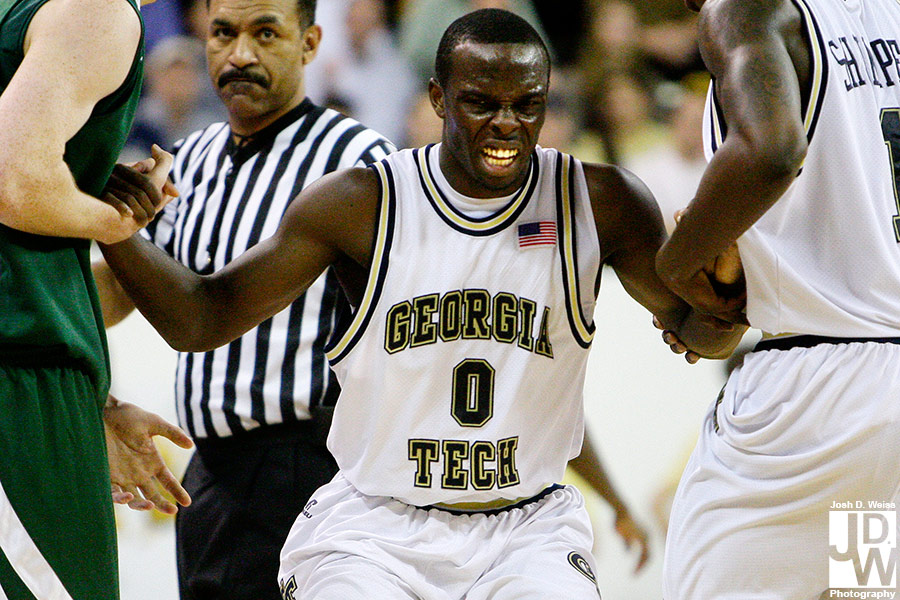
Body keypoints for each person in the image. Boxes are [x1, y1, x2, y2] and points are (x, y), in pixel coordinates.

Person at [99, 9, 742, 598]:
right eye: (481, 103)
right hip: (376, 524)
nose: (507, 124)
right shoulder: (361, 201)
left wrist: (730, 291)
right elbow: (203, 318)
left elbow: (705, 336)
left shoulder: (602, 202)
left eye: (527, 105)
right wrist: (110, 223)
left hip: (526, 527)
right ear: (437, 98)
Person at [92, 0, 395, 597]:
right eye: (224, 33)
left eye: (265, 33)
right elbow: (123, 289)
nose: (240, 54)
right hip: (209, 470)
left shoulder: (363, 161)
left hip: (315, 465)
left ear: (310, 43)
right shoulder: (189, 158)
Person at [654, 0, 900, 597]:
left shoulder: (742, 10)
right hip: (882, 411)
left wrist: (676, 265)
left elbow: (770, 151)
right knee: (856, 589)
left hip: (815, 398)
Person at [0, 0, 193, 597]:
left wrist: (81, 181)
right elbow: (14, 181)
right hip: (18, 375)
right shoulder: (99, 10)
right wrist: (115, 223)